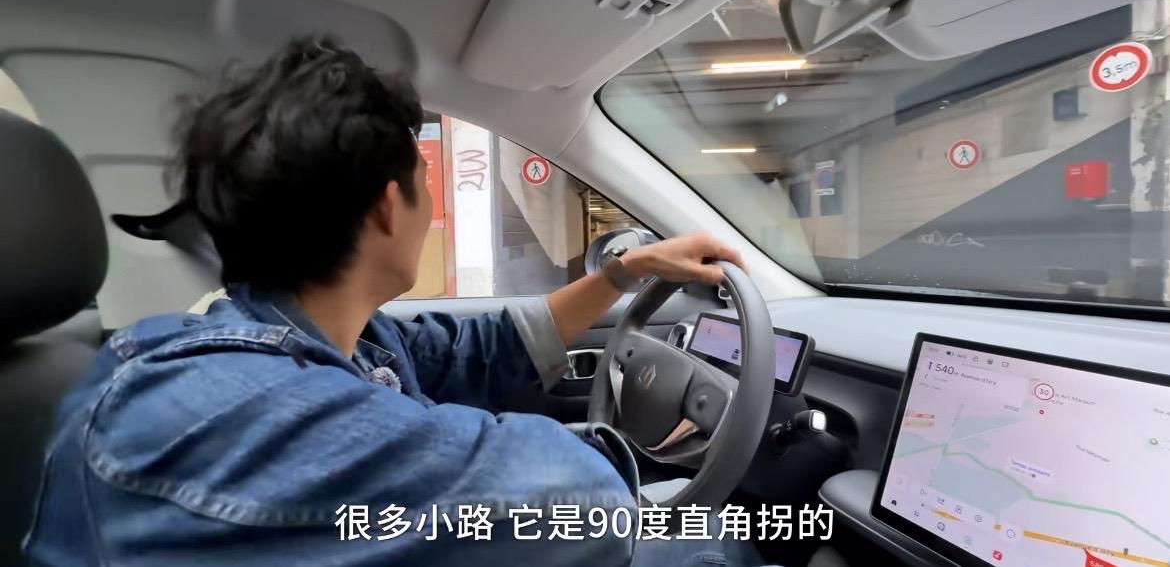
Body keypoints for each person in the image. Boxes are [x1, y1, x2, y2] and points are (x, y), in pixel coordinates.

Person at [23, 37, 768, 566]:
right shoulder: (208, 406)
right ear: (388, 208)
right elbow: (575, 501)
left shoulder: (332, 338)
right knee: (709, 546)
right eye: (422, 180)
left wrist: (625, 271)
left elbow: (485, 350)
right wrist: (636, 463)